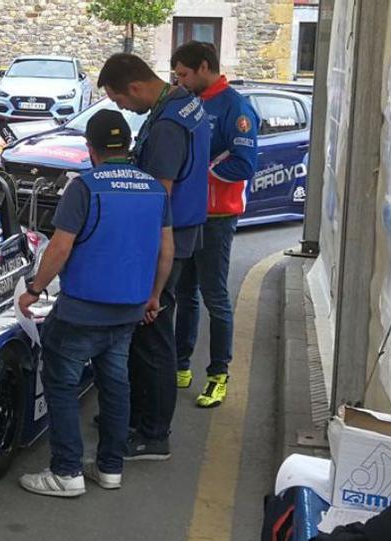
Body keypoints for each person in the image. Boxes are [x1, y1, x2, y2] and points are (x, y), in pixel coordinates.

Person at [16, 109, 174, 497]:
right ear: (129, 146)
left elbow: (60, 247)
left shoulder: (85, 188)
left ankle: (66, 472)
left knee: (61, 383)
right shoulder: (155, 190)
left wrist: (35, 288)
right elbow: (165, 250)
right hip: (129, 310)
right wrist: (154, 296)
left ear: (91, 149)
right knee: (116, 384)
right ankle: (110, 468)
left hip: (81, 311)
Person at [97, 53, 211, 461]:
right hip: (185, 231)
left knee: (152, 334)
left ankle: (153, 433)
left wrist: (141, 258)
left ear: (134, 88)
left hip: (167, 239)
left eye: (119, 101)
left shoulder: (165, 125)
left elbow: (156, 198)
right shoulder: (184, 101)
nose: (122, 109)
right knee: (153, 332)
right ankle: (139, 417)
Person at [170, 41, 260, 408]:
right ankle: (180, 364)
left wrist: (200, 174)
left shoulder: (236, 108)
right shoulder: (191, 101)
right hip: (188, 216)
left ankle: (218, 374)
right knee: (184, 293)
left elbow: (244, 164)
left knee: (215, 297)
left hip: (218, 218)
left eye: (185, 75)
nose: (180, 81)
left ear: (205, 67)